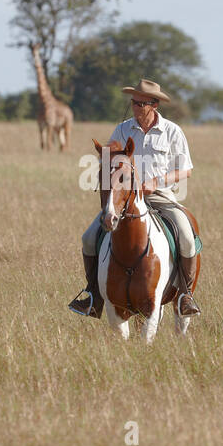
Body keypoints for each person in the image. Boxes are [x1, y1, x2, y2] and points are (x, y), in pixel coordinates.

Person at [69, 79, 200, 318]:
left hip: (161, 196)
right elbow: (108, 161)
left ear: (155, 105)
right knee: (89, 238)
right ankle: (93, 295)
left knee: (187, 237)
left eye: (142, 104)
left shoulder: (172, 131)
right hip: (123, 200)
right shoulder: (122, 129)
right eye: (134, 103)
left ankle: (185, 295)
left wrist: (155, 182)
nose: (137, 108)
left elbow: (186, 169)